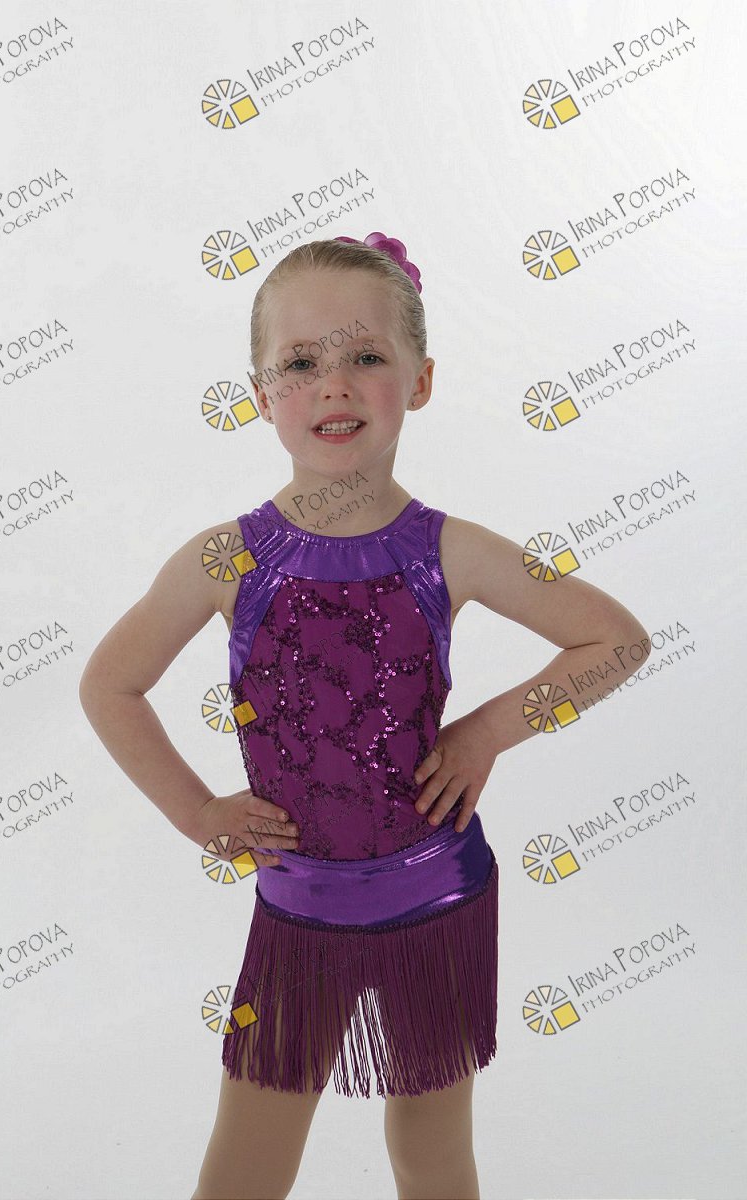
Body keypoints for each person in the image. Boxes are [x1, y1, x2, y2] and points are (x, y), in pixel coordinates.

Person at [79, 233, 652, 1200]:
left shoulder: (452, 550)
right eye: (301, 362)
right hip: (299, 907)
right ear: (260, 395)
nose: (334, 385)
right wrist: (198, 812)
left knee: (432, 1154)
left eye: (367, 356)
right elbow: (110, 685)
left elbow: (616, 641)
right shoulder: (226, 560)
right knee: (249, 1162)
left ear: (420, 382)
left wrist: (487, 731)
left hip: (440, 899)